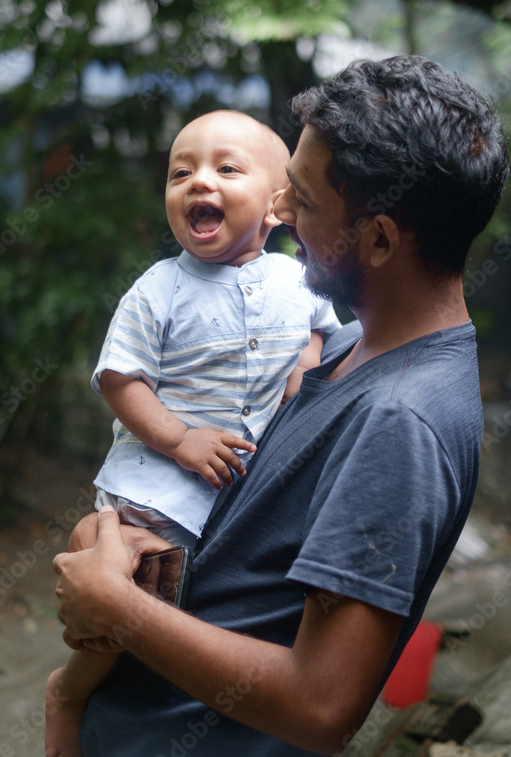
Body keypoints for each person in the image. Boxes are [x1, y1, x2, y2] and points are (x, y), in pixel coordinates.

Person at [52, 55, 510, 757]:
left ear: (380, 238)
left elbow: (321, 705)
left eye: (300, 197)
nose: (281, 212)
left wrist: (116, 607)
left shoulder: (400, 421)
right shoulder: (342, 350)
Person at [45, 110, 341, 757]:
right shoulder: (159, 288)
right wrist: (179, 439)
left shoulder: (298, 278)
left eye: (225, 169)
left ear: (277, 202)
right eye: (182, 172)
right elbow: (121, 380)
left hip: (234, 506)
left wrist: (306, 357)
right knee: (120, 611)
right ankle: (68, 691)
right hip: (153, 496)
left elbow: (319, 326)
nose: (198, 182)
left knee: (189, 630)